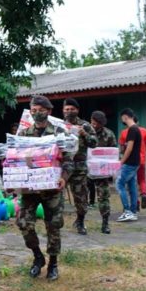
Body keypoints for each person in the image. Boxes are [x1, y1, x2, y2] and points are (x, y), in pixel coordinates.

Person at [16, 95, 74, 281]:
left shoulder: (59, 133)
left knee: (53, 226)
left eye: (40, 110)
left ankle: (53, 263)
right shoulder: (24, 134)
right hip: (30, 189)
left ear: (49, 111)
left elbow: (68, 161)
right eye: (33, 111)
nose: (36, 113)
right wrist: (13, 181)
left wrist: (64, 178)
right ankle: (38, 257)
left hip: (52, 188)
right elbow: (15, 160)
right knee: (23, 222)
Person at [62, 98, 97, 235]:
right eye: (67, 109)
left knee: (81, 196)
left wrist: (85, 134)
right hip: (62, 167)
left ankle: (80, 221)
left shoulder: (85, 125)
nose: (69, 112)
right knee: (56, 196)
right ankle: (55, 223)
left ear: (77, 110)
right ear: (63, 111)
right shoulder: (57, 125)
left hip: (79, 167)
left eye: (72, 109)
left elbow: (94, 143)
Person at [89, 111, 117, 234]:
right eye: (93, 122)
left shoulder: (109, 134)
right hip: (86, 171)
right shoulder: (85, 131)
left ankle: (105, 223)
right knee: (81, 198)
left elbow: (114, 152)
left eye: (97, 124)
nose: (94, 125)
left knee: (104, 197)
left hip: (101, 171)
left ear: (102, 123)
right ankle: (80, 221)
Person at [119, 116, 146, 209]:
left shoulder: (124, 132)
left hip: (131, 161)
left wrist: (123, 158)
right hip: (141, 160)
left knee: (131, 182)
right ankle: (144, 194)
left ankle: (136, 202)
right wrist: (143, 152)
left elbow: (122, 148)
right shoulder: (144, 131)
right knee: (142, 179)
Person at [116, 108, 141, 222]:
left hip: (130, 162)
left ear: (125, 117)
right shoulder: (137, 129)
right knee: (132, 187)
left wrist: (121, 161)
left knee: (119, 184)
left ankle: (127, 211)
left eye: (122, 117)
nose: (122, 120)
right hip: (135, 162)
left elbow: (129, 148)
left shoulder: (132, 130)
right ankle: (133, 211)